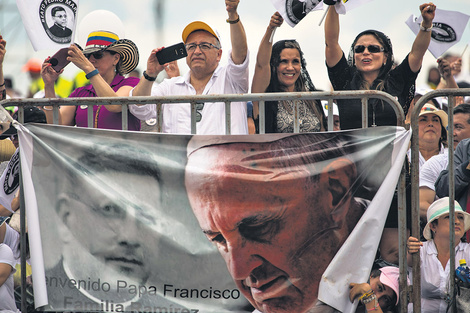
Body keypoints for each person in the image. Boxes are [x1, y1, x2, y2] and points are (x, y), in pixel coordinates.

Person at [185, 133, 370, 313]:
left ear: (335, 188)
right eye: (218, 239)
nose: (238, 270)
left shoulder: (395, 257)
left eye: (257, 228)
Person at [44, 143, 169, 311]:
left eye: (147, 217)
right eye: (110, 210)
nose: (130, 237)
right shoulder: (34, 299)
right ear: (66, 218)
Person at [129, 0, 249, 135]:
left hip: (225, 156)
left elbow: (240, 54)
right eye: (191, 47)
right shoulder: (170, 87)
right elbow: (138, 107)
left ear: (219, 54)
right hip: (179, 156)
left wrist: (233, 15)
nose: (197, 51)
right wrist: (150, 74)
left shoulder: (231, 79)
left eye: (204, 45)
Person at [324, 2, 436, 129]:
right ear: (354, 57)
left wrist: (426, 24)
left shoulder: (398, 80)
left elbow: (417, 53)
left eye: (373, 48)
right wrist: (332, 5)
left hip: (393, 149)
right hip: (353, 149)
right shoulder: (345, 80)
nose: (366, 52)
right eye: (359, 49)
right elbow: (331, 43)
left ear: (386, 57)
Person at [41, 30, 141, 130]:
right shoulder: (80, 93)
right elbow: (56, 125)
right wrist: (49, 85)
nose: (91, 60)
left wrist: (89, 69)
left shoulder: (132, 83)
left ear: (116, 59)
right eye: (88, 56)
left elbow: (115, 105)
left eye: (98, 55)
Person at [251, 12, 325, 133]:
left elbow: (323, 135)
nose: (290, 68)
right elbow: (261, 65)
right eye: (283, 61)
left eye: (295, 62)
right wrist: (271, 29)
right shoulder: (265, 96)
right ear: (274, 65)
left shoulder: (312, 98)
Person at [407, 197, 470, 312]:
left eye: (460, 217)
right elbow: (408, 260)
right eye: (449, 217)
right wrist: (409, 249)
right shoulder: (419, 249)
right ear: (433, 226)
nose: (457, 221)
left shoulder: (468, 252)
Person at [419, 104, 470, 223]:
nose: (452, 133)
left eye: (458, 127)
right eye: (450, 128)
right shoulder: (435, 162)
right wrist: (452, 220)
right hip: (453, 236)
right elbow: (422, 205)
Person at [407, 103, 447, 170]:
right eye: (423, 120)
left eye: (435, 120)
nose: (430, 124)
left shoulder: (451, 157)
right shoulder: (404, 156)